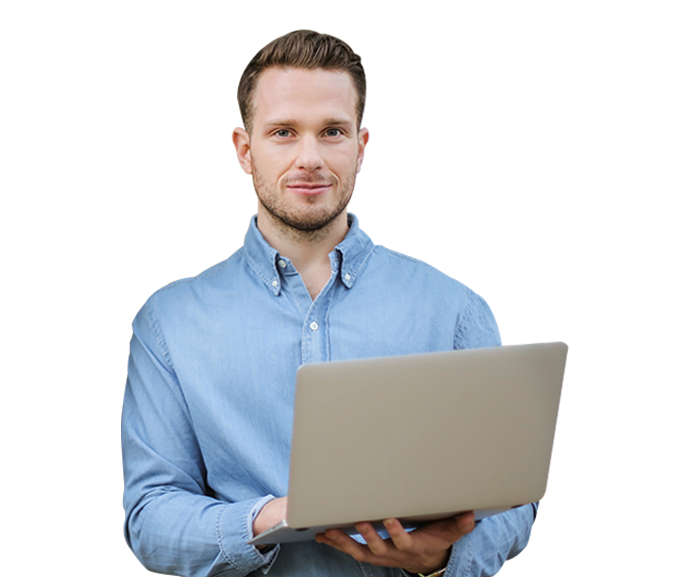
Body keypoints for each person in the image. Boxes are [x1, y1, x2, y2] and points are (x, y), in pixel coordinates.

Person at [122, 29, 539, 577]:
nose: (310, 158)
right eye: (283, 133)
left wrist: (440, 557)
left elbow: (514, 501)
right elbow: (151, 519)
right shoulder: (169, 322)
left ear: (362, 147)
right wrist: (273, 518)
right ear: (245, 151)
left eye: (332, 131)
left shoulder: (456, 309)